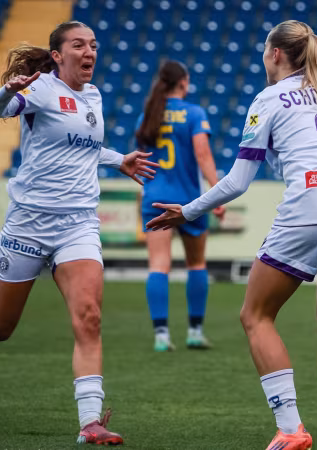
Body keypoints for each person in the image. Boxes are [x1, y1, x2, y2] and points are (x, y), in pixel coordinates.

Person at [146, 20, 317, 450]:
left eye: (264, 50)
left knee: (255, 315)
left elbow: (239, 181)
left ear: (276, 54)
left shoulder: (269, 98)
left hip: (311, 206)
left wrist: (189, 210)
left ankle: (292, 428)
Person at [0, 21, 158, 446]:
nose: (90, 52)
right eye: (79, 45)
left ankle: (90, 423)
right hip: (28, 224)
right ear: (57, 55)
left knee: (89, 317)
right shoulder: (40, 89)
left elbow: (80, 144)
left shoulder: (94, 95)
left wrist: (119, 159)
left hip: (78, 225)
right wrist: (10, 89)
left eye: (94, 45)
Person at [136, 60, 224, 352]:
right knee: (196, 264)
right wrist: (217, 192)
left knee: (158, 265)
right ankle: (194, 332)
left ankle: (161, 335)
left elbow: (140, 161)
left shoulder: (148, 115)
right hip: (189, 201)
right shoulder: (195, 113)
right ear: (184, 82)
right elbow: (203, 155)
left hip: (155, 198)